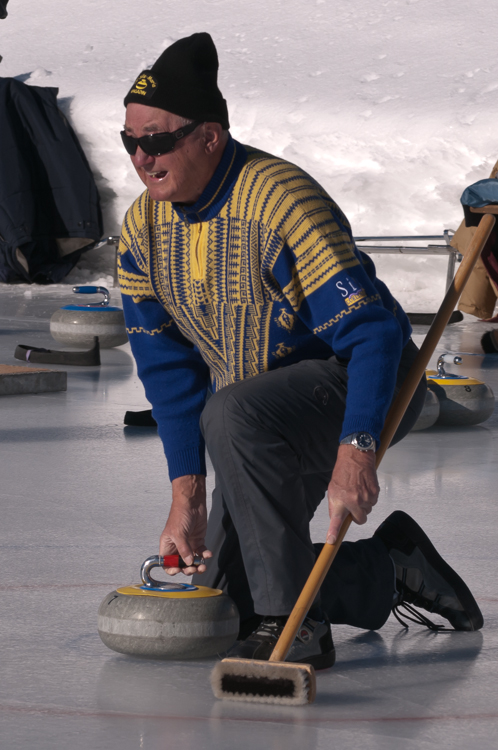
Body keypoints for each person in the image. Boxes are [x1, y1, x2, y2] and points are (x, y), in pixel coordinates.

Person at [118, 32, 483, 668]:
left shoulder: (281, 201)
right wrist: (187, 499)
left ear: (210, 137)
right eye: (130, 142)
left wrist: (356, 451)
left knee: (233, 418)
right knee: (229, 598)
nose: (142, 158)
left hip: (365, 384)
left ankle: (295, 627)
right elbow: (169, 372)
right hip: (253, 412)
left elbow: (371, 333)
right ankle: (389, 566)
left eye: (158, 140)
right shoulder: (141, 230)